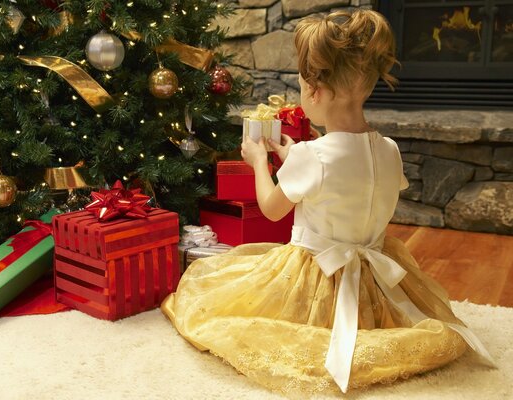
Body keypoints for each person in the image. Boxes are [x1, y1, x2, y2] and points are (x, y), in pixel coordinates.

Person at [161, 9, 494, 395]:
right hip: (375, 273)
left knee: (220, 304)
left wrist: (258, 162)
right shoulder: (387, 149)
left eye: (303, 89)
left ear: (315, 91)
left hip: (317, 274)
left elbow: (271, 208)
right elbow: (347, 178)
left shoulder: (314, 156)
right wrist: (295, 156)